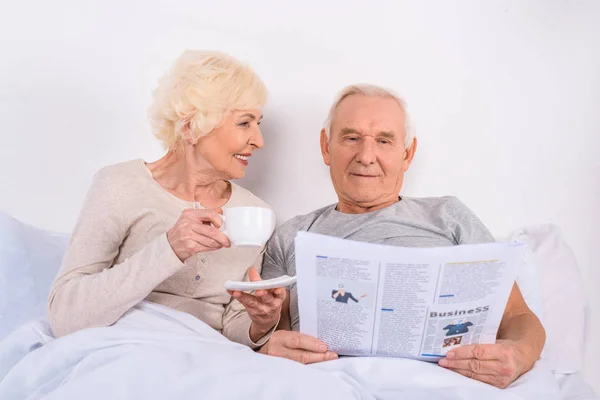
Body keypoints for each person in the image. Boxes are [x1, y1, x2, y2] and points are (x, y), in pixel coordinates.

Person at [259, 84, 546, 389]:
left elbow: (518, 315)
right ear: (326, 146)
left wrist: (519, 353)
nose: (366, 156)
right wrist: (267, 350)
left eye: (384, 141)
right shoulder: (291, 236)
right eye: (351, 138)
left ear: (407, 154)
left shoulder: (448, 216)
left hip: (445, 386)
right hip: (330, 386)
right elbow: (272, 337)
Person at [48, 50, 285, 349]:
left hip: (207, 358)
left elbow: (232, 330)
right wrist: (169, 248)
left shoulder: (254, 214)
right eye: (244, 123)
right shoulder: (120, 186)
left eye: (258, 123)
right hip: (123, 349)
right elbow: (65, 316)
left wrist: (260, 322)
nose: (259, 140)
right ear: (190, 127)